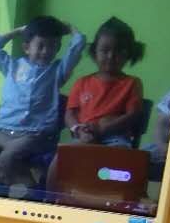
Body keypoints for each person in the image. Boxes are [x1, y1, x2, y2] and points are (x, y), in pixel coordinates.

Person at [0, 15, 86, 192]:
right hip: (2, 131)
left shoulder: (57, 72)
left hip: (35, 135)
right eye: (41, 46)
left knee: (7, 159)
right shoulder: (11, 66)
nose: (46, 51)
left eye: (52, 47)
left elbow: (77, 46)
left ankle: (31, 186)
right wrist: (21, 30)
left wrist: (71, 28)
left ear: (58, 48)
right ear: (26, 47)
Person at [63, 17, 147, 148]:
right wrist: (77, 129)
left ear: (129, 53)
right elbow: (70, 114)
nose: (111, 56)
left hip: (116, 138)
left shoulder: (132, 83)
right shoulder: (82, 83)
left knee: (116, 159)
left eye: (119, 51)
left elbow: (133, 116)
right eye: (105, 50)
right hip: (84, 135)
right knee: (60, 160)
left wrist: (103, 128)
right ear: (94, 52)